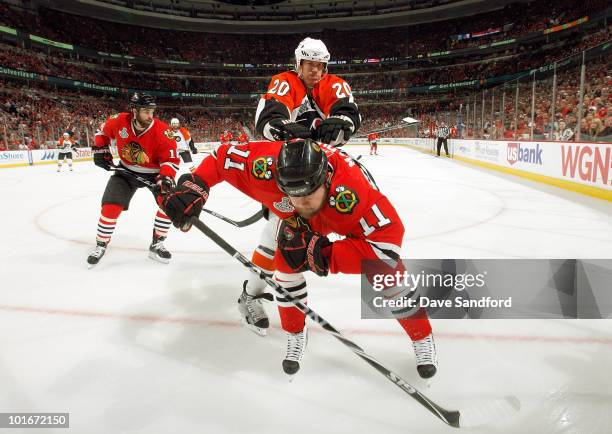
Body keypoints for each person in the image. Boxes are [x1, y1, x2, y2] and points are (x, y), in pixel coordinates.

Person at [157, 138, 437, 378]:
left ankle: (422, 337)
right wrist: (195, 185)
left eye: (307, 194)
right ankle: (294, 334)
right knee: (286, 265)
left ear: (325, 178)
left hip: (339, 214)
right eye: (291, 193)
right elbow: (222, 156)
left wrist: (325, 256)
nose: (299, 201)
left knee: (387, 275)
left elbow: (387, 248)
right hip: (295, 221)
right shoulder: (264, 167)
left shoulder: (351, 193)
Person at [240, 37, 362, 338]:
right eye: (311, 64)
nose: (316, 71)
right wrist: (280, 126)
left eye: (321, 65)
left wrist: (342, 124)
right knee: (274, 236)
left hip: (325, 173)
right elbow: (269, 114)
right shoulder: (285, 82)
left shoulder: (334, 84)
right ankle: (250, 295)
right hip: (289, 171)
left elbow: (348, 111)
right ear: (300, 63)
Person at [87, 92, 180, 267]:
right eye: (145, 111)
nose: (150, 116)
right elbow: (102, 132)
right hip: (125, 171)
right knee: (110, 207)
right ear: (134, 111)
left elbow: (171, 160)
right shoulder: (119, 120)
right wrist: (101, 150)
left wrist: (165, 178)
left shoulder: (163, 131)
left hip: (155, 174)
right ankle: (101, 244)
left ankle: (157, 243)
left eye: (152, 111)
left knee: (168, 205)